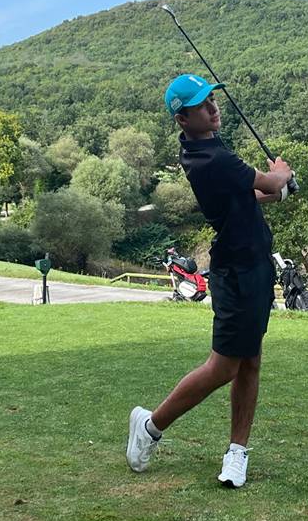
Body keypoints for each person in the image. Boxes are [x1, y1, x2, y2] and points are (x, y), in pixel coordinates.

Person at [126, 73, 294, 488]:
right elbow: (268, 181)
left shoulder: (208, 150)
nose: (212, 108)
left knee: (251, 360)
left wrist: (278, 190)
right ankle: (150, 426)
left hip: (254, 265)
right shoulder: (212, 158)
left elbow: (249, 195)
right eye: (201, 105)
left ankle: (237, 452)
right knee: (223, 367)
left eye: (212, 100)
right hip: (235, 271)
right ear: (183, 119)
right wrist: (282, 173)